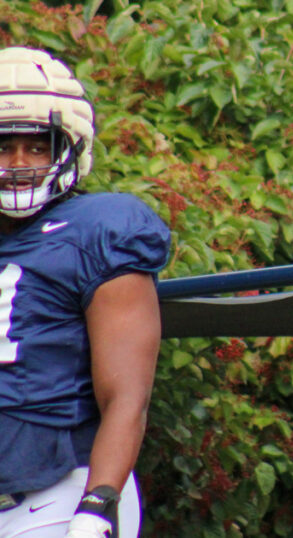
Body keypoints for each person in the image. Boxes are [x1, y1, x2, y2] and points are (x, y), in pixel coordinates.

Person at [0, 47, 170, 538]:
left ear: (68, 149)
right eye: (3, 146)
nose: (18, 163)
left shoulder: (98, 230)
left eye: (36, 147)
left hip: (58, 493)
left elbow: (127, 395)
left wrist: (99, 503)